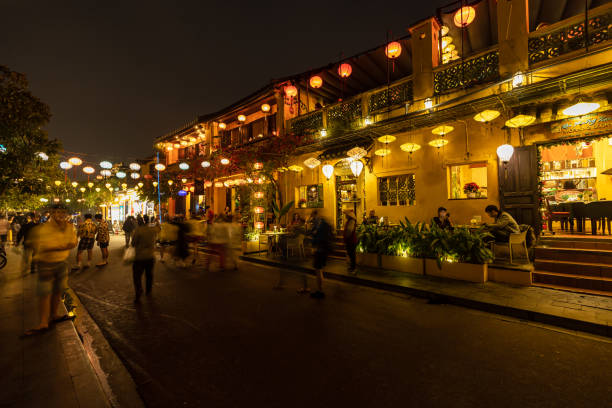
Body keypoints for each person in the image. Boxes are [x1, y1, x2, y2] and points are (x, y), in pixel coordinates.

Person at [22, 203, 77, 336]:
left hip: (62, 262)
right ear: (51, 213)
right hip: (46, 263)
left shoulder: (70, 227)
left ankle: (54, 315)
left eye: (62, 212)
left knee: (58, 291)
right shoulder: (43, 228)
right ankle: (43, 322)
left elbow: (73, 242)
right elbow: (44, 246)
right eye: (56, 212)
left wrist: (61, 245)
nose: (60, 215)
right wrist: (62, 245)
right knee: (45, 293)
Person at [131, 215, 159, 303]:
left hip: (139, 257)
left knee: (137, 276)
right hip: (150, 256)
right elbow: (159, 229)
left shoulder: (138, 231)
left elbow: (133, 243)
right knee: (149, 274)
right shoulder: (152, 230)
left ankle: (139, 290)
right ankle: (148, 290)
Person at [309, 210, 333, 299]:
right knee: (319, 270)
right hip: (323, 249)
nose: (312, 218)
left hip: (320, 249)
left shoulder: (320, 225)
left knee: (318, 270)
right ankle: (320, 289)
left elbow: (316, 236)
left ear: (316, 215)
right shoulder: (323, 223)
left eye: (312, 216)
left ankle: (320, 291)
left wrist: (315, 246)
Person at [343, 209, 358, 274]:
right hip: (350, 240)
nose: (345, 216)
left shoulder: (351, 221)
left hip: (351, 240)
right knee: (350, 254)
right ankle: (352, 267)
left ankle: (353, 268)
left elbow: (349, 231)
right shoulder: (349, 221)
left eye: (346, 215)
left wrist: (346, 237)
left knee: (352, 254)